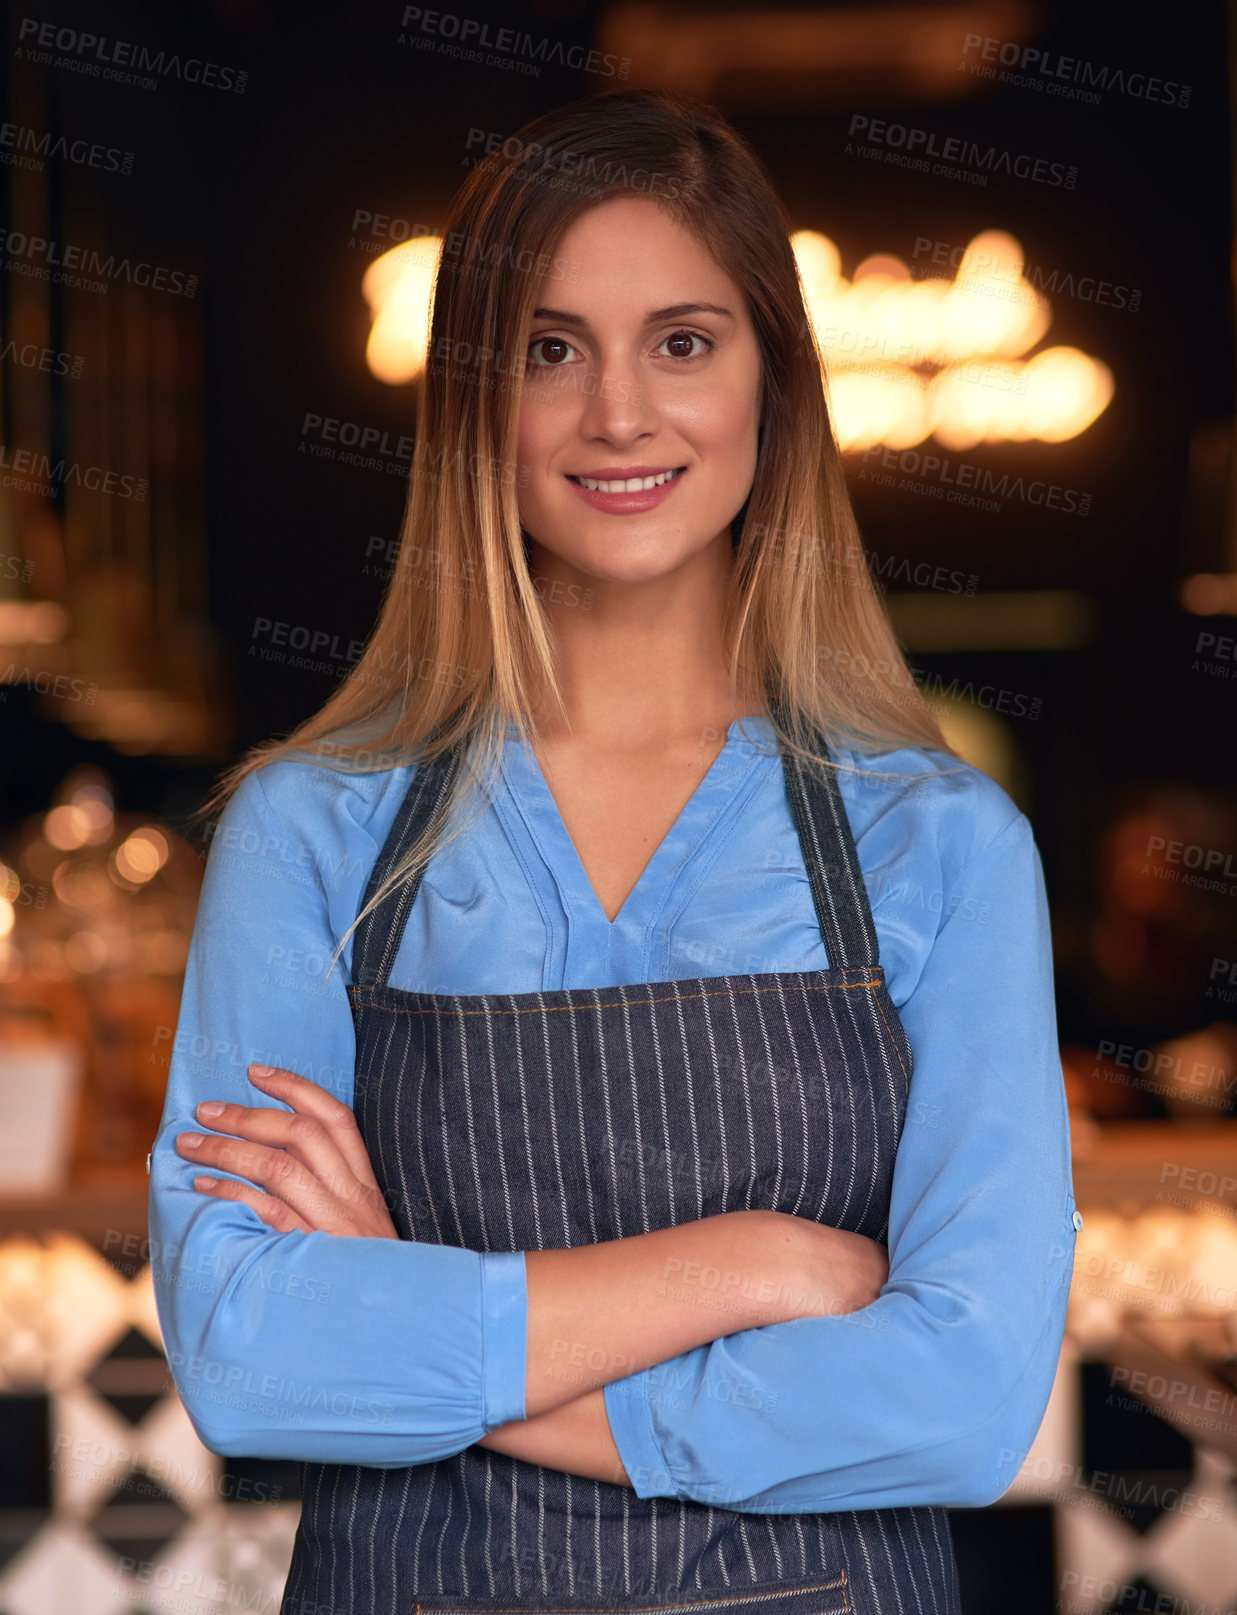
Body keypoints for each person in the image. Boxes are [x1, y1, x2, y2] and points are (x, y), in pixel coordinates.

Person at [148, 85, 1080, 1615]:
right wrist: (755, 1264)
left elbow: (964, 1405)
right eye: (548, 349)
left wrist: (426, 1331)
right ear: (474, 402)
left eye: (683, 342)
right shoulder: (312, 832)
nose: (619, 415)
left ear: (773, 384)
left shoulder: (938, 844)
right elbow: (253, 1369)